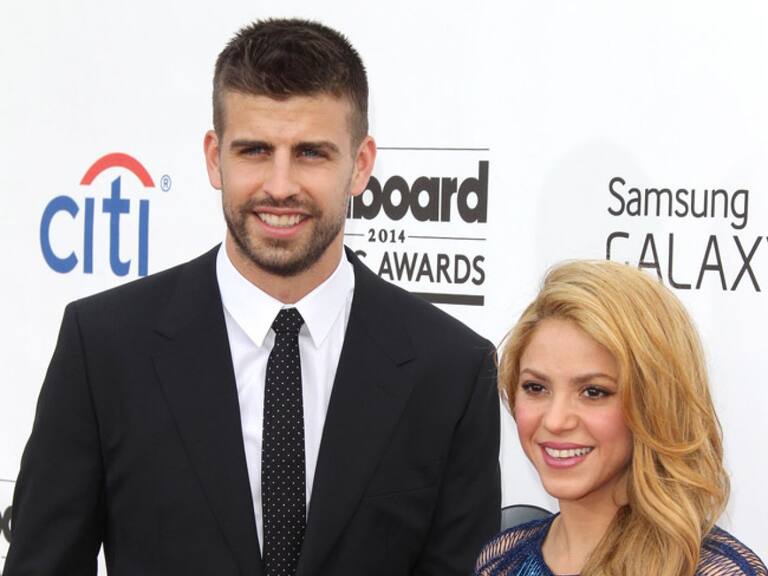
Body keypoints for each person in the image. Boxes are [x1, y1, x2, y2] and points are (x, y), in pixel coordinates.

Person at [6, 19, 500, 576]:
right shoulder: (104, 348)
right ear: (214, 157)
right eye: (255, 150)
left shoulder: (451, 369)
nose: (280, 186)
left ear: (360, 165)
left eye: (311, 153)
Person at [474, 261, 767, 576]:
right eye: (536, 387)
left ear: (654, 403)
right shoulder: (500, 560)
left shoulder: (715, 571)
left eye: (594, 392)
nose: (556, 421)